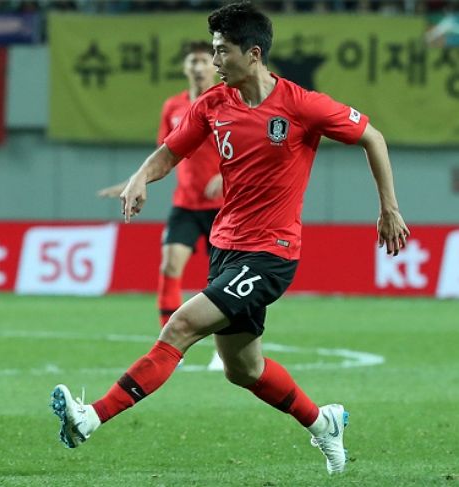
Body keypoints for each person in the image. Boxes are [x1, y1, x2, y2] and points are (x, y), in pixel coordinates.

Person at [51, 1, 409, 475]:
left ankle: (90, 416)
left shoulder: (302, 105)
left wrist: (389, 208)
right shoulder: (213, 105)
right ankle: (324, 423)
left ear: (253, 53)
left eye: (222, 51)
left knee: (179, 327)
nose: (215, 61)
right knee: (244, 370)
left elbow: (374, 138)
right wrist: (140, 178)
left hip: (271, 253)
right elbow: (170, 150)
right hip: (227, 248)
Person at [98, 41, 224, 341]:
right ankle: (168, 342)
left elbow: (250, 149)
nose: (197, 67)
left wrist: (224, 174)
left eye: (204, 61)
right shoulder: (174, 107)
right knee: (169, 265)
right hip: (186, 205)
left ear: (215, 67)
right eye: (192, 61)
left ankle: (225, 349)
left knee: (222, 281)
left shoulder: (228, 103)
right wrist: (136, 180)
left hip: (224, 207)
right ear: (184, 68)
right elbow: (165, 153)